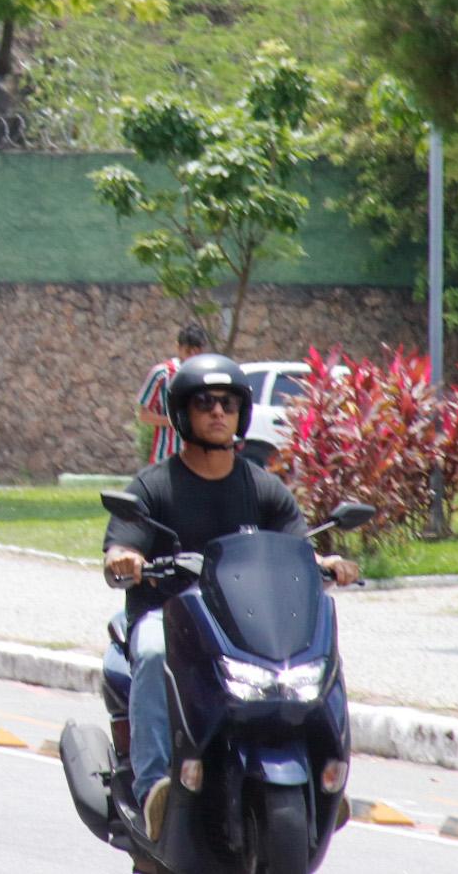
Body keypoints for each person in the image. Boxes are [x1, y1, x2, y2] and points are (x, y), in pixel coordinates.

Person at [102, 353, 361, 844]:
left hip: (240, 624)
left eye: (227, 403)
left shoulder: (264, 488)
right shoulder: (154, 486)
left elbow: (297, 546)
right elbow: (124, 538)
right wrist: (124, 557)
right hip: (170, 615)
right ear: (183, 413)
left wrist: (325, 563)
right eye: (204, 403)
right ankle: (154, 786)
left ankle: (328, 768)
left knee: (321, 647)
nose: (218, 412)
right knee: (155, 651)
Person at [135, 324, 209, 466]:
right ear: (178, 347)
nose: (192, 357)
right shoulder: (162, 374)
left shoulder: (208, 375)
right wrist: (174, 421)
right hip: (165, 455)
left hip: (198, 457)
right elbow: (144, 415)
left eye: (197, 352)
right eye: (188, 351)